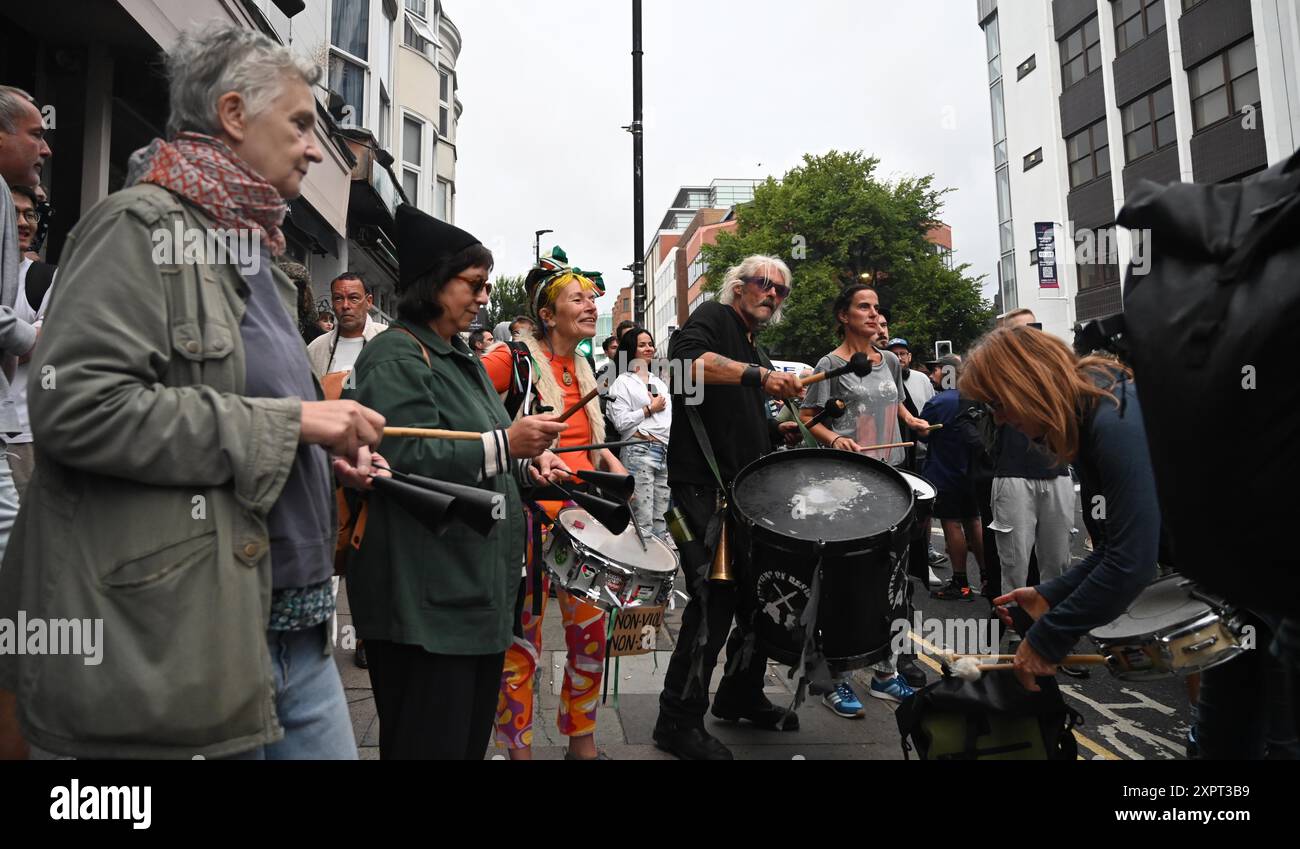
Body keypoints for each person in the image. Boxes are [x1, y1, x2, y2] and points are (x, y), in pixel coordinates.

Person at [0, 25, 387, 759]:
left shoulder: (260, 251)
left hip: (299, 637)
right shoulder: (134, 227)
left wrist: (321, 458)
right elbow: (75, 407)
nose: (313, 147)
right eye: (300, 124)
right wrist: (294, 424)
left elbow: (249, 415)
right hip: (199, 639)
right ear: (235, 115)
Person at [345, 205, 569, 759]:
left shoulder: (460, 357)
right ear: (433, 283)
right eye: (473, 284)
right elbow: (401, 453)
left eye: (486, 285)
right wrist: (507, 446)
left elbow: (483, 444)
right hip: (425, 601)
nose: (483, 297)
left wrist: (530, 463)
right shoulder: (396, 354)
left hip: (470, 592)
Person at [652, 254, 805, 761]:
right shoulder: (714, 320)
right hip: (700, 491)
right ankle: (676, 719)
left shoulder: (752, 344)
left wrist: (770, 429)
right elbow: (682, 368)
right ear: (737, 287)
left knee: (758, 598)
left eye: (780, 290)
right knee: (711, 602)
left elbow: (732, 420)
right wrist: (760, 379)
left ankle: (738, 693)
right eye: (764, 284)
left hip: (740, 495)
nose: (772, 295)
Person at [482, 247, 629, 761]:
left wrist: (614, 466)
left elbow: (589, 441)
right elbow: (465, 409)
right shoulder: (512, 359)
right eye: (577, 299)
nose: (591, 306)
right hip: (527, 522)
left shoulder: (585, 367)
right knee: (521, 645)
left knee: (590, 638)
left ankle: (581, 744)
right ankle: (517, 751)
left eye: (592, 298)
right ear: (547, 315)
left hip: (582, 525)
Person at [960, 326, 1159, 691]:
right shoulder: (1088, 412)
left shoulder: (1111, 417)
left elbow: (1133, 562)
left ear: (1026, 382)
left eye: (998, 404)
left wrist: (1046, 638)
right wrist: (1052, 593)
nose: (999, 419)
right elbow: (1116, 547)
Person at [800, 284, 931, 712]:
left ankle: (886, 674)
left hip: (892, 480)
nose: (874, 314)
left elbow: (894, 405)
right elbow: (806, 418)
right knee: (846, 581)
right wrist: (835, 437)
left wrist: (915, 421)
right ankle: (835, 677)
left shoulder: (889, 360)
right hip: (847, 485)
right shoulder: (830, 364)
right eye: (864, 307)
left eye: (877, 307)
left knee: (892, 582)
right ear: (844, 315)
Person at [985, 310, 1074, 609]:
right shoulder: (995, 370)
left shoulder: (1054, 367)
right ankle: (1014, 629)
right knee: (1014, 562)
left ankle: (1053, 626)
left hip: (1057, 471)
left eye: (1035, 328)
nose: (1030, 336)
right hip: (1013, 474)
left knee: (1058, 561)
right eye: (1021, 331)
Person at [919, 356, 988, 603]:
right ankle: (987, 578)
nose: (931, 375)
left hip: (945, 473)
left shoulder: (938, 402)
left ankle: (960, 582)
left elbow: (924, 435)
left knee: (952, 524)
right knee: (974, 522)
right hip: (974, 473)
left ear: (945, 371)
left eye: (935, 370)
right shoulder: (978, 398)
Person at [5, 183, 54, 498]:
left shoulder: (47, 279)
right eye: (14, 213)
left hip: (22, 433)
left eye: (30, 214)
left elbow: (41, 345)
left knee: (19, 537)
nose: (23, 223)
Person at [607, 325, 671, 541]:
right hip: (638, 449)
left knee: (661, 521)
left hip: (663, 451)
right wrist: (648, 409)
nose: (649, 349)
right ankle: (640, 569)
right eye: (642, 345)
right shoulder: (621, 383)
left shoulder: (659, 382)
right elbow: (620, 422)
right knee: (641, 521)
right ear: (630, 350)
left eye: (650, 344)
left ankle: (657, 571)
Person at [306, 272, 388, 392]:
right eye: (338, 298)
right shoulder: (316, 349)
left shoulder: (388, 339)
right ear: (332, 303)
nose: (345, 305)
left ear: (369, 302)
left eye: (353, 298)